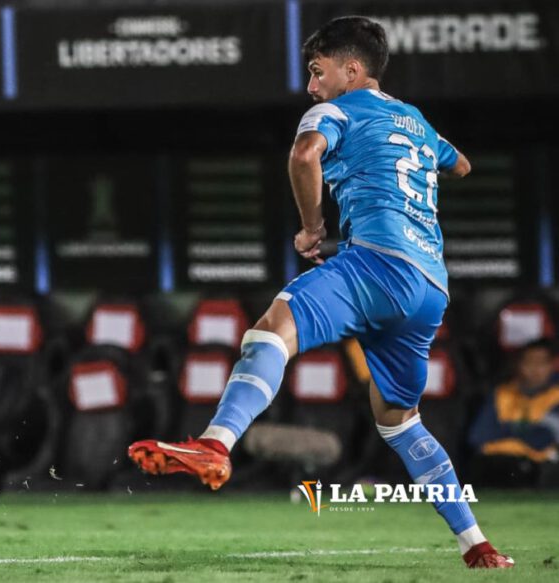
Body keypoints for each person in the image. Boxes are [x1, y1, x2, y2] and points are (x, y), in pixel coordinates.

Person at [128, 16, 512, 569]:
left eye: (317, 71)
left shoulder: (334, 110)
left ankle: (215, 442)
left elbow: (305, 154)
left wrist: (312, 228)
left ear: (351, 69)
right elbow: (463, 165)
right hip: (429, 287)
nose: (311, 85)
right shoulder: (417, 120)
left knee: (269, 332)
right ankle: (476, 543)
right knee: (400, 422)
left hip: (377, 264)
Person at [469, 338, 559, 487]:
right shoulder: (502, 393)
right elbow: (477, 436)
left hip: (541, 467)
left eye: (541, 363)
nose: (535, 369)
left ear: (552, 365)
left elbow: (543, 439)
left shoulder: (555, 395)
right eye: (529, 362)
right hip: (496, 462)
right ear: (519, 365)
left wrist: (506, 428)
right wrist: (524, 430)